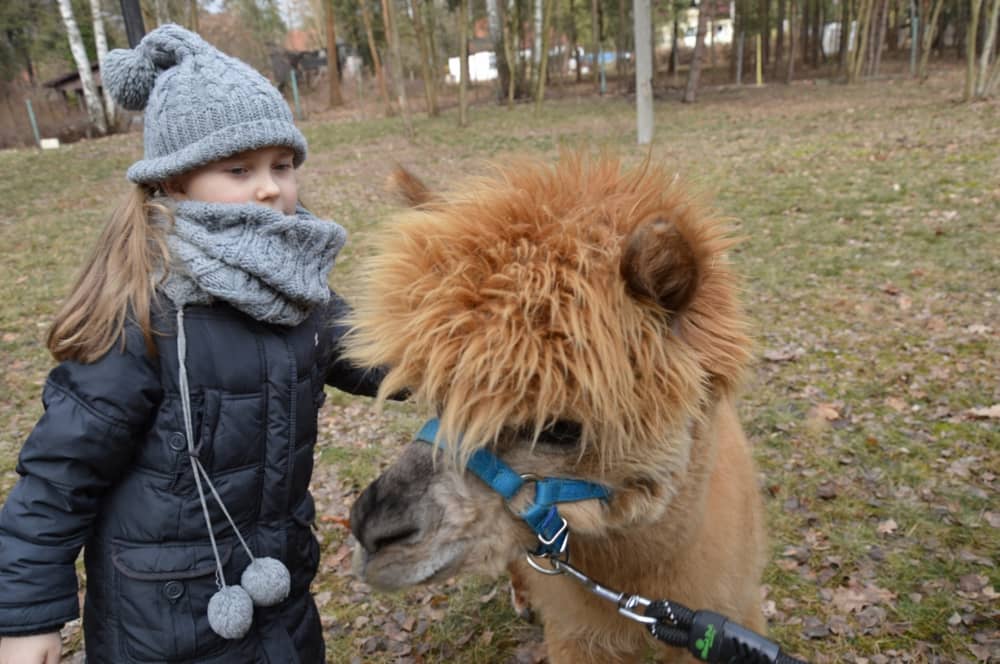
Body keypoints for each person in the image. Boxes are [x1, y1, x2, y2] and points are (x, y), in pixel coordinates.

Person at [0, 24, 383, 664]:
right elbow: (58, 477)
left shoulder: (299, 290)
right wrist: (25, 618)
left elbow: (381, 354)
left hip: (281, 599)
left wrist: (485, 357)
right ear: (174, 183)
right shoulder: (141, 314)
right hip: (164, 624)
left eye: (282, 166)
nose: (269, 187)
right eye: (239, 169)